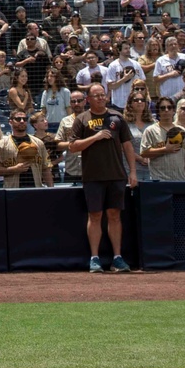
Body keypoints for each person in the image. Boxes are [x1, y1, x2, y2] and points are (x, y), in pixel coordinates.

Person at [66, 81, 137, 272]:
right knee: (95, 215)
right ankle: (95, 258)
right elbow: (72, 147)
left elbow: (127, 146)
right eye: (95, 95)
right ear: (88, 99)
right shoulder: (82, 119)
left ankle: (117, 258)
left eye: (102, 94)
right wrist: (95, 138)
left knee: (114, 215)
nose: (100, 98)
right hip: (92, 176)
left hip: (116, 174)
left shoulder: (116, 117)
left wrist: (132, 171)